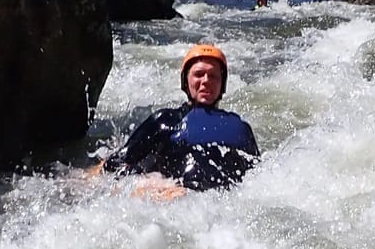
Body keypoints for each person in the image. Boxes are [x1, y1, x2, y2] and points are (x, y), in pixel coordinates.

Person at [100, 43, 260, 191]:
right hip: (173, 195)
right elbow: (114, 165)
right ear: (186, 81)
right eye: (199, 74)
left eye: (213, 76)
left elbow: (258, 178)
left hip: (223, 202)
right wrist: (159, 185)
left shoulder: (240, 128)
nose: (206, 81)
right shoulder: (165, 121)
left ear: (222, 84)